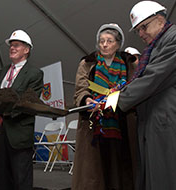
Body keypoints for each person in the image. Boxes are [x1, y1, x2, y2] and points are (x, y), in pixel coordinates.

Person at [117, 1, 176, 189]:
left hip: (166, 120)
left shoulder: (173, 39)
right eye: (137, 31)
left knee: (164, 176)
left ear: (159, 19)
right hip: (153, 119)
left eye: (143, 27)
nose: (141, 34)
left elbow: (152, 77)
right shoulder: (155, 46)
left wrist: (116, 100)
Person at [72, 23, 138, 190]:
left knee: (122, 166)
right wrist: (86, 100)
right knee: (94, 169)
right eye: (101, 41)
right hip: (94, 123)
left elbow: (136, 86)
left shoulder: (128, 62)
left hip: (121, 121)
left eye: (109, 41)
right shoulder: (88, 63)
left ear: (118, 43)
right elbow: (80, 88)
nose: (104, 44)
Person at [0, 29, 44, 190]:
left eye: (16, 45)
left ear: (27, 50)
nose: (12, 48)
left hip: (19, 134)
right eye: (11, 46)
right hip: (0, 131)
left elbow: (28, 102)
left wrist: (4, 108)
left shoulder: (34, 74)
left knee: (22, 179)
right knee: (2, 178)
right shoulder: (3, 71)